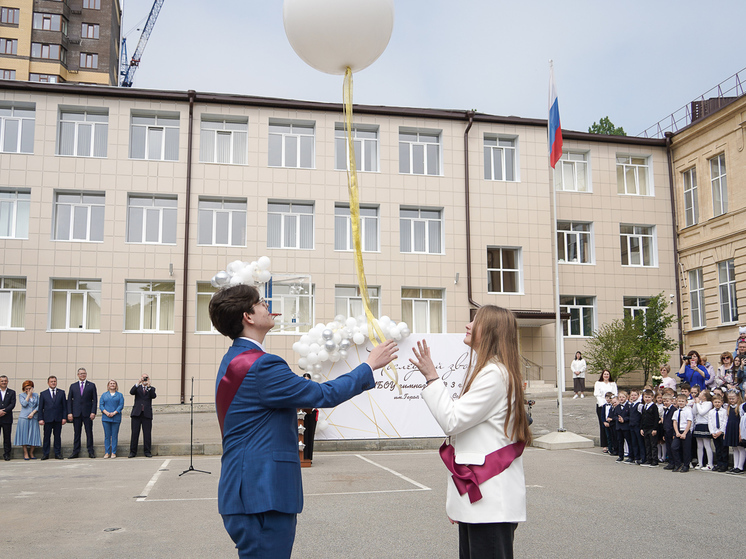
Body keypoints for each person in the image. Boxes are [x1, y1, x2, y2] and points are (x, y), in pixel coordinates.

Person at [208, 283, 398, 559]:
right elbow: (325, 394)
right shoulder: (262, 365)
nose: (267, 306)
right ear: (247, 317)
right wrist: (369, 365)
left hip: (246, 491)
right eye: (261, 303)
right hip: (262, 494)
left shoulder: (233, 359)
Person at [409, 305, 531, 559]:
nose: (468, 325)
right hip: (483, 501)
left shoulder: (494, 374)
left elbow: (452, 420)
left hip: (490, 503)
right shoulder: (493, 371)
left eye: (475, 321)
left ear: (490, 332)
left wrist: (433, 377)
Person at [67, 367, 97, 458]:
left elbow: (95, 400)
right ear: (78, 375)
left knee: (89, 433)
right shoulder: (73, 386)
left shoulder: (91, 385)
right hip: (76, 413)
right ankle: (75, 451)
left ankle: (90, 451)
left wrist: (93, 412)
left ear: (86, 374)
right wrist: (69, 413)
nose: (82, 375)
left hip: (88, 413)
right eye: (81, 373)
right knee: (77, 433)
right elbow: (69, 400)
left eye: (84, 373)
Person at [37, 376, 67, 460]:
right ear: (48, 383)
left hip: (58, 418)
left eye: (54, 381)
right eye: (51, 381)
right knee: (46, 436)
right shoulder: (43, 393)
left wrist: (64, 417)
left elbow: (64, 407)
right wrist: (40, 418)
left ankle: (57, 453)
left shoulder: (61, 392)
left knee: (57, 437)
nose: (53, 383)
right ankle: (45, 454)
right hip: (47, 419)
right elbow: (40, 408)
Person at [129, 374, 157, 458]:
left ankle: (147, 451)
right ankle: (133, 452)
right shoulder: (137, 388)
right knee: (134, 433)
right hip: (137, 413)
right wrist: (138, 382)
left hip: (146, 414)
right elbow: (131, 392)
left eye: (146, 378)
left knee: (147, 434)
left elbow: (153, 396)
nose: (145, 379)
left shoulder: (151, 388)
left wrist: (148, 385)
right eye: (143, 378)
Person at [14, 380, 41, 460]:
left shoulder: (36, 395)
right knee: (24, 435)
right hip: (24, 418)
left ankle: (31, 452)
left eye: (30, 388)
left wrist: (33, 413)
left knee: (34, 435)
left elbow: (39, 405)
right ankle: (25, 452)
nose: (28, 390)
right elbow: (24, 404)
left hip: (33, 417)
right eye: (26, 389)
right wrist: (28, 395)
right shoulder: (21, 395)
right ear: (24, 389)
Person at [593, 370, 617, 455]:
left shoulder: (613, 383)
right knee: (603, 425)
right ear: (602, 375)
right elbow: (597, 394)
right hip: (601, 405)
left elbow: (615, 394)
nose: (606, 376)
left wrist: (611, 403)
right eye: (605, 374)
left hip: (611, 406)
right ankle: (604, 445)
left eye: (607, 374)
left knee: (612, 425)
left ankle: (613, 445)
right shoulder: (598, 383)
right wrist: (603, 404)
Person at [100, 379, 124, 458]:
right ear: (108, 385)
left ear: (116, 386)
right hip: (106, 418)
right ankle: (107, 452)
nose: (112, 385)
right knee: (107, 435)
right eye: (111, 383)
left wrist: (114, 412)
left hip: (116, 417)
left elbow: (121, 405)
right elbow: (101, 405)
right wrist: (106, 412)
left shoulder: (119, 395)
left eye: (114, 383)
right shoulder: (104, 395)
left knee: (114, 435)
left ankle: (113, 452)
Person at [671, 394, 693, 473]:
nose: (681, 403)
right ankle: (678, 463)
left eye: (682, 401)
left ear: (686, 402)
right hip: (678, 431)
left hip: (685, 431)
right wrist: (677, 432)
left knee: (686, 449)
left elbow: (689, 422)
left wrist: (684, 433)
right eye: (679, 401)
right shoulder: (676, 412)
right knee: (674, 447)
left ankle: (686, 465)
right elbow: (674, 422)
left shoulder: (688, 411)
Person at [692, 390, 713, 470]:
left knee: (706, 445)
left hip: (705, 424)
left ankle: (710, 464)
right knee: (699, 445)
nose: (699, 394)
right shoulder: (699, 403)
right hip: (698, 424)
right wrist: (695, 403)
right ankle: (700, 463)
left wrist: (697, 403)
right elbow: (694, 412)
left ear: (704, 397)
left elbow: (701, 412)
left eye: (701, 393)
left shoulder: (708, 403)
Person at [639, 389, 659, 467]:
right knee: (647, 445)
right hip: (645, 428)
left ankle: (655, 460)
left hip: (652, 428)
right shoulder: (644, 406)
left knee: (653, 445)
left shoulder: (654, 406)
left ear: (652, 397)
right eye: (646, 397)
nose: (647, 398)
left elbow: (656, 418)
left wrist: (655, 429)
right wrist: (641, 428)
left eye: (649, 397)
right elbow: (642, 418)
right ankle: (649, 459)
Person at [724, 390, 743, 473]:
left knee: (740, 448)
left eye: (733, 398)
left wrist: (741, 432)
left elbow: (742, 421)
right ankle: (735, 466)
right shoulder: (728, 407)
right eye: (730, 399)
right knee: (734, 448)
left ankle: (740, 466)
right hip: (731, 428)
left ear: (738, 398)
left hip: (738, 428)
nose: (731, 400)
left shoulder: (740, 407)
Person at [300, 373, 318, 462]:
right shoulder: (299, 390)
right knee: (301, 436)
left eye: (308, 380)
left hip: (310, 414)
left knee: (309, 436)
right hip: (300, 415)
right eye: (304, 380)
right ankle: (301, 456)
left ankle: (308, 457)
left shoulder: (313, 389)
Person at [708, 395, 728, 472]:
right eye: (715, 402)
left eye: (719, 402)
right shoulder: (711, 412)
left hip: (721, 433)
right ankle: (719, 464)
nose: (717, 404)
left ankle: (724, 464)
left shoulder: (724, 411)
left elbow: (724, 422)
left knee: (723, 449)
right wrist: (712, 432)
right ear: (713, 403)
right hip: (715, 433)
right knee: (718, 449)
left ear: (722, 403)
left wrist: (721, 431)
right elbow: (710, 422)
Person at [0, 375, 16, 461]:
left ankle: (7, 454)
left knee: (7, 437)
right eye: (2, 381)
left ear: (7, 382)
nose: (4, 382)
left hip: (7, 418)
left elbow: (12, 404)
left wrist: (4, 411)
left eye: (5, 381)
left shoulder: (12, 392)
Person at [615, 390, 631, 462]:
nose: (621, 398)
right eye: (620, 397)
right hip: (619, 427)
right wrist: (618, 419)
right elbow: (614, 416)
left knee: (629, 441)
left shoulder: (629, 406)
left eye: (623, 397)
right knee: (620, 441)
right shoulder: (617, 407)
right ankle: (620, 455)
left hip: (626, 427)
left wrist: (624, 419)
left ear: (627, 398)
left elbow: (630, 416)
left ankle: (631, 455)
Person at [661, 393, 677, 470]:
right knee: (668, 448)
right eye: (664, 401)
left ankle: (675, 462)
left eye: (667, 401)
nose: (665, 402)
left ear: (671, 401)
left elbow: (674, 423)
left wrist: (674, 433)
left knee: (673, 448)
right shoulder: (665, 410)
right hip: (666, 432)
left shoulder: (674, 410)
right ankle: (670, 462)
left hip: (671, 432)